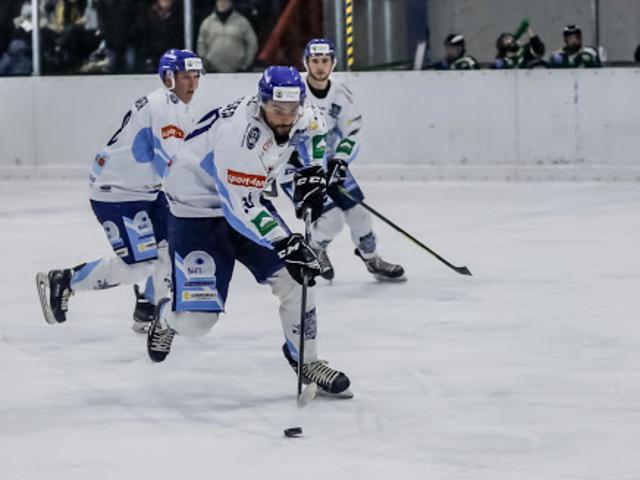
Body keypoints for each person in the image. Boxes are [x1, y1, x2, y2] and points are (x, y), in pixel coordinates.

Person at [150, 66, 352, 397]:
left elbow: (315, 130)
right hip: (196, 211)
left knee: (295, 279)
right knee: (198, 324)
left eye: (292, 110)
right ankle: (165, 317)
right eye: (277, 110)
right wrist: (286, 242)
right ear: (261, 102)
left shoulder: (300, 110)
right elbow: (239, 207)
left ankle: (307, 360)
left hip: (242, 199)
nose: (286, 118)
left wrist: (314, 173)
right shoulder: (239, 137)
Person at [36, 49, 203, 334]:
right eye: (185, 76)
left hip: (145, 191)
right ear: (168, 78)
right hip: (117, 193)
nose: (193, 83)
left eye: (196, 76)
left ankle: (148, 307)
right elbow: (171, 164)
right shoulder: (165, 106)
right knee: (139, 266)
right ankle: (64, 280)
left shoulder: (172, 104)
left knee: (169, 249)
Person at [279, 38, 405, 282]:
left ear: (333, 63)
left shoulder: (339, 91)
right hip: (296, 169)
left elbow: (352, 129)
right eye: (314, 61)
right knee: (331, 218)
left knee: (359, 213)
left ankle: (372, 259)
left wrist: (340, 160)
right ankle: (315, 248)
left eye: (325, 61)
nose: (319, 66)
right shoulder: (295, 92)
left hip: (329, 163)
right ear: (306, 63)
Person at [196, 0, 257, 73]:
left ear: (230, 3)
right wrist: (205, 62)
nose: (222, 4)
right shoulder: (207, 23)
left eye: (225, 1)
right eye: (220, 1)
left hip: (238, 73)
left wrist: (246, 64)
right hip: (212, 72)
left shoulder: (242, 22)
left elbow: (252, 43)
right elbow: (201, 44)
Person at [133, 0, 184, 73]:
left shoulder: (181, 14)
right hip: (151, 58)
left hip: (173, 57)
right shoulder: (147, 14)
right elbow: (141, 37)